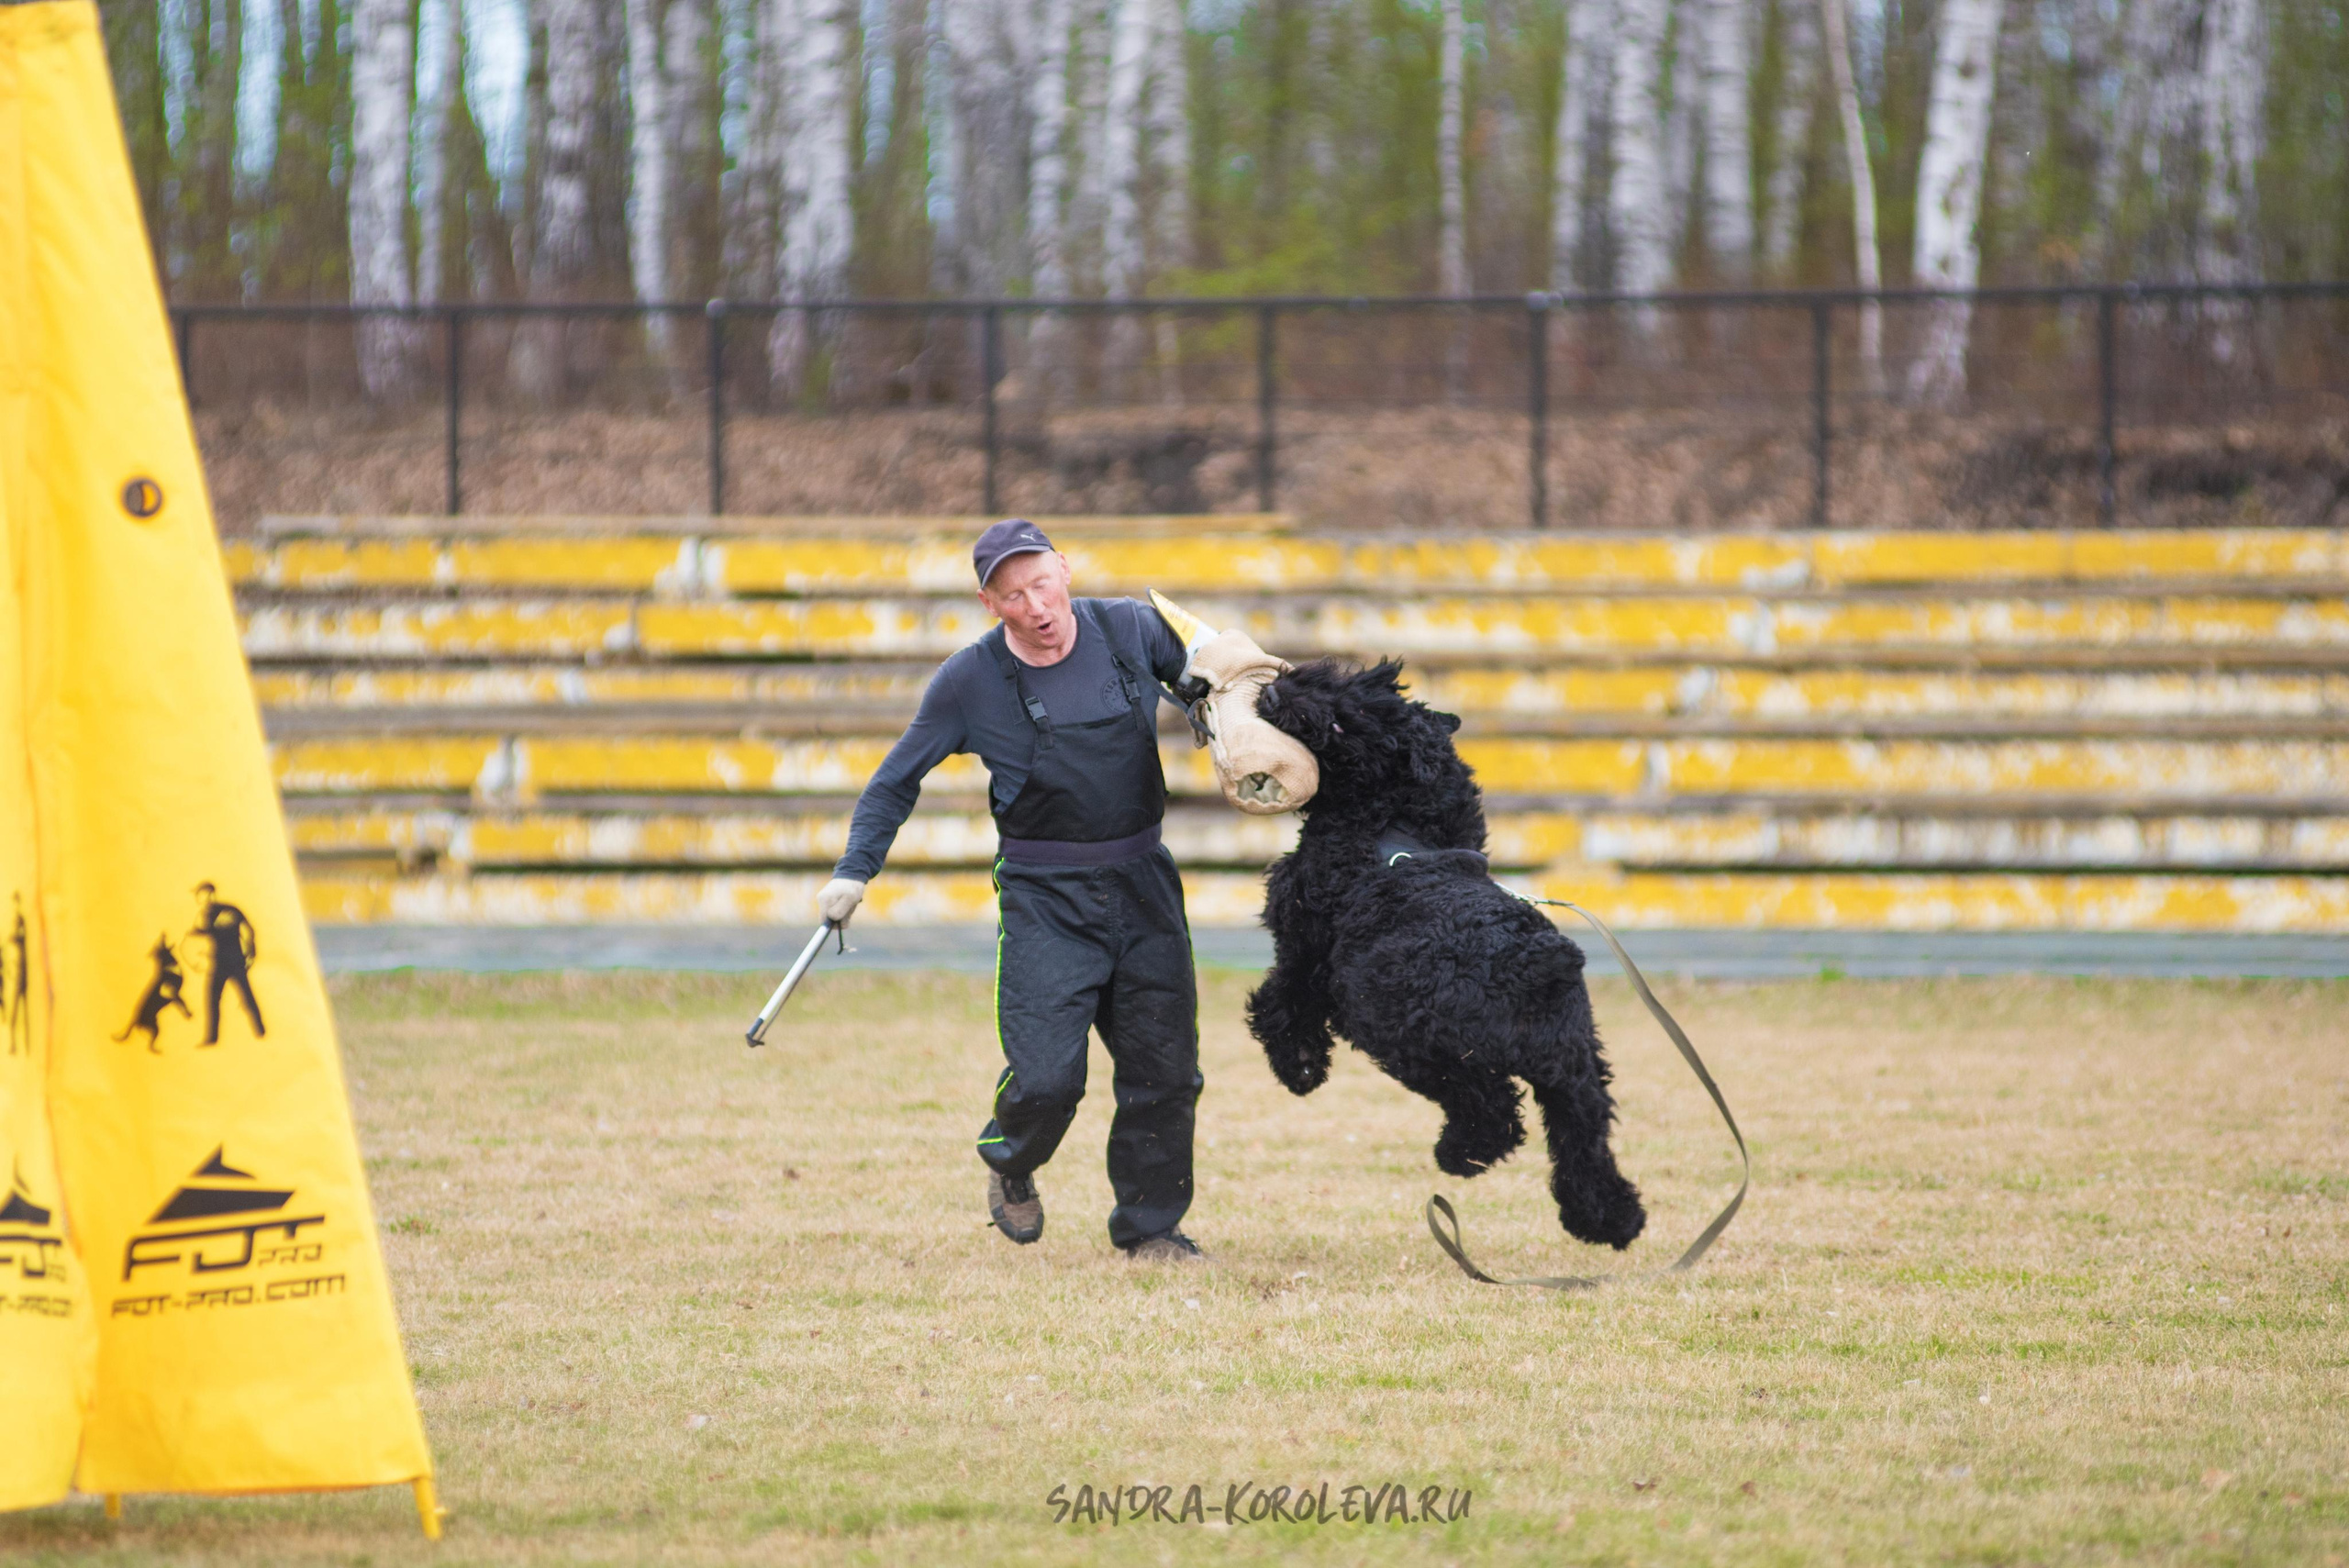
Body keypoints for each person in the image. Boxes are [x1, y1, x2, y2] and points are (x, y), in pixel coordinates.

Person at [818, 520, 1209, 1262]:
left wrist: (1225, 714)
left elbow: (1211, 673)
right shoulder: (968, 680)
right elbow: (895, 780)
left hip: (1144, 882)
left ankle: (1151, 1227)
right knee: (1047, 1076)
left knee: (1165, 1069)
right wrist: (853, 870)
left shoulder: (1130, 625)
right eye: (1013, 594)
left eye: (1042, 582)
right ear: (989, 603)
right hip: (1044, 895)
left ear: (1064, 568)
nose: (1036, 605)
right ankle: (1012, 1159)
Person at [190, 882, 265, 1046]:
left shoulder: (212, 913)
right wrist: (251, 954)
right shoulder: (217, 911)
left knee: (235, 999)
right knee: (219, 999)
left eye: (200, 895)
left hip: (228, 962)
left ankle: (215, 1038)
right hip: (228, 961)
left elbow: (247, 930)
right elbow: (247, 930)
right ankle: (260, 1032)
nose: (199, 899)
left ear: (209, 894)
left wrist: (251, 953)